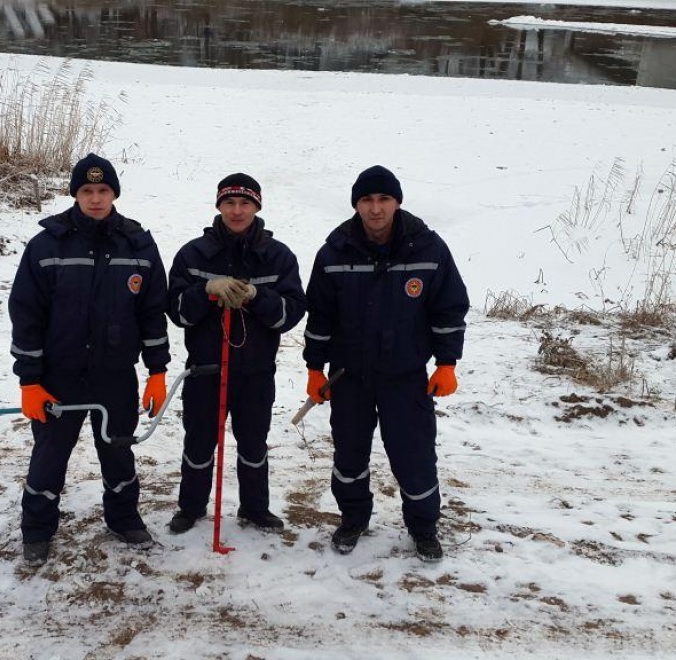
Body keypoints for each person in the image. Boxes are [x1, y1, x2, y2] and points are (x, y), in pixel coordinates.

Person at [9, 153, 170, 566]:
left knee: (118, 452)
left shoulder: (138, 245)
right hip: (58, 377)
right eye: (86, 191)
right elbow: (26, 315)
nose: (95, 199)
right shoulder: (47, 245)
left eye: (103, 190)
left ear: (114, 193)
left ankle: (124, 518)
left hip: (115, 376)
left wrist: (156, 372)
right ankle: (37, 529)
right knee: (49, 457)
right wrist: (30, 380)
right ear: (75, 194)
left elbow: (151, 313)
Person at [302, 165, 468, 561]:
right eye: (366, 200)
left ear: (397, 202)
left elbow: (448, 308)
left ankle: (424, 527)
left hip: (405, 376)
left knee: (414, 456)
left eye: (383, 199)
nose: (375, 209)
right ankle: (353, 518)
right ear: (356, 204)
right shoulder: (334, 252)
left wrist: (447, 363)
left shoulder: (428, 249)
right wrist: (314, 368)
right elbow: (320, 317)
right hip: (349, 377)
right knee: (349, 455)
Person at [166, 173, 307, 534]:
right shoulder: (193, 254)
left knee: (253, 442)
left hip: (256, 371)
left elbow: (291, 314)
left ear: (257, 206)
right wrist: (206, 291)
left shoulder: (277, 257)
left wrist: (259, 298)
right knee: (198, 441)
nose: (237, 210)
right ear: (219, 206)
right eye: (229, 202)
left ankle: (255, 508)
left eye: (245, 203)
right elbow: (176, 311)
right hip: (205, 369)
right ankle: (191, 506)